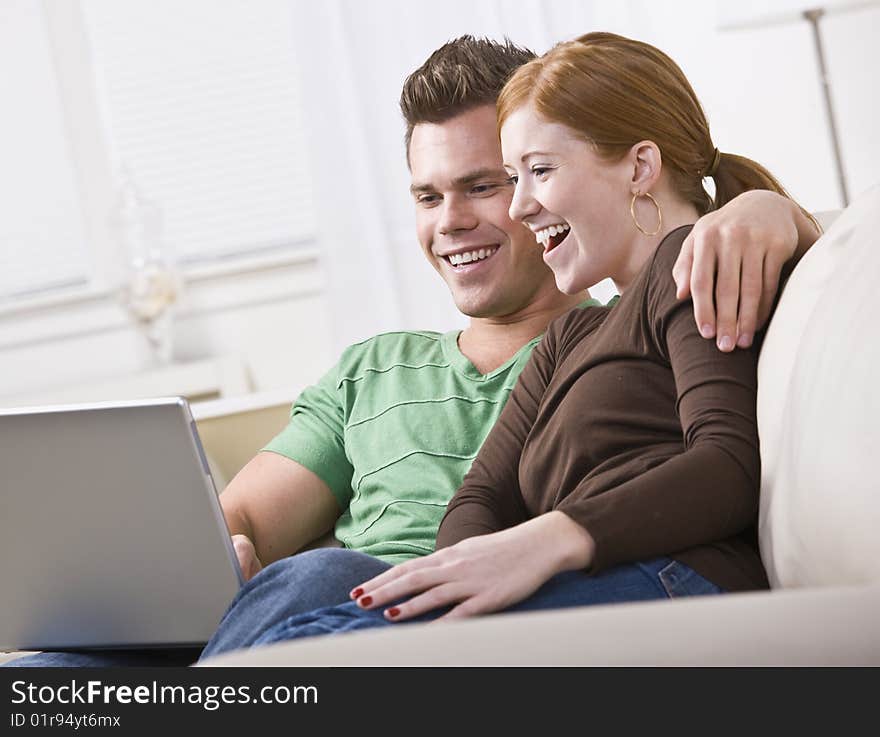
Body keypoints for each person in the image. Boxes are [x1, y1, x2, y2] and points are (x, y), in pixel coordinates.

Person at [5, 35, 818, 668]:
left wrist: (778, 214)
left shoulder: (678, 284)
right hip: (348, 602)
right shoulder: (387, 367)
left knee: (316, 579)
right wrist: (205, 561)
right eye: (429, 197)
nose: (453, 220)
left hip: (405, 597)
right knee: (54, 682)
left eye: (490, 183)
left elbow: (721, 442)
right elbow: (250, 518)